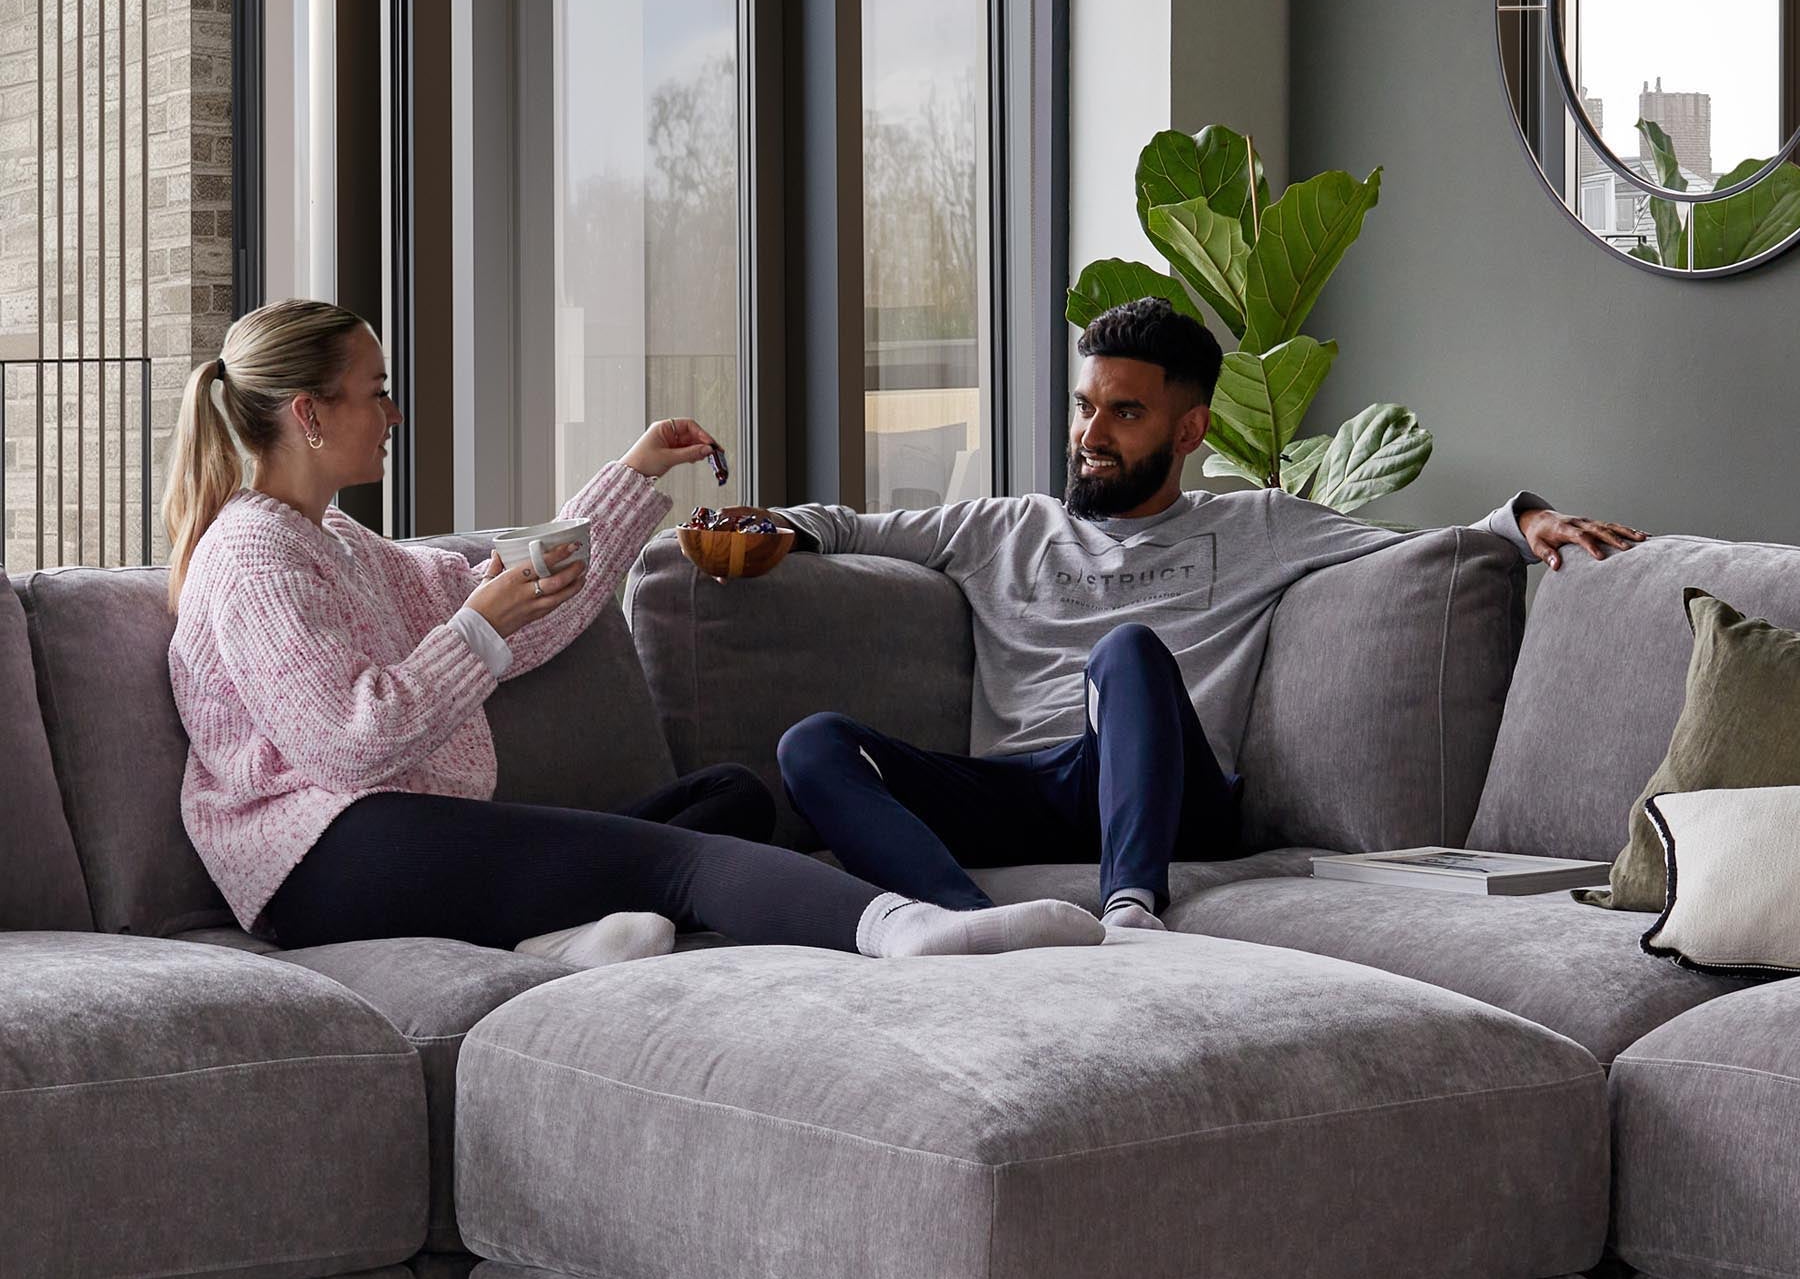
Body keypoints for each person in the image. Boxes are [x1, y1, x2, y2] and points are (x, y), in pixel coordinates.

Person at [163, 299, 1108, 965]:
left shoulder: (339, 542)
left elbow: (526, 614)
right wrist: (475, 629)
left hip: (384, 832)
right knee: (685, 860)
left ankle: (557, 940)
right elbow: (350, 738)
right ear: (309, 414)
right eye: (376, 391)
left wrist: (632, 473)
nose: (393, 412)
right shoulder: (254, 555)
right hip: (317, 858)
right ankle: (910, 929)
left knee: (729, 797)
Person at [776, 296, 1646, 931]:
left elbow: (1424, 546)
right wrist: (766, 529)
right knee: (812, 743)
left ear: (1187, 432)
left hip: (1173, 794)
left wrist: (1524, 519)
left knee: (1127, 653)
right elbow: (848, 525)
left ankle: (1129, 913)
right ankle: (965, 924)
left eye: (1124, 413)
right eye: (1085, 407)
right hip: (1028, 788)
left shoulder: (1257, 522)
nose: (1090, 436)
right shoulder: (1001, 526)